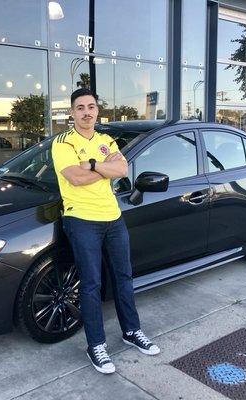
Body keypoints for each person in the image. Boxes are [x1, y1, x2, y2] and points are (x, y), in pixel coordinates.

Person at [51, 88, 160, 374]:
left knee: (124, 277)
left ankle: (131, 331)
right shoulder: (63, 143)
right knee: (91, 284)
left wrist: (91, 164)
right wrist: (103, 168)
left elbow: (122, 169)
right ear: (72, 112)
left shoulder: (105, 139)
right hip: (81, 220)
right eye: (80, 107)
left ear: (97, 110)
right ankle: (96, 346)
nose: (87, 112)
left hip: (113, 217)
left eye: (91, 106)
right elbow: (74, 178)